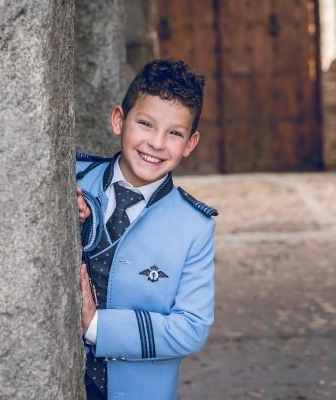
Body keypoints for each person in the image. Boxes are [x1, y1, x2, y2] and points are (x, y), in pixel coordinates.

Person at [75, 58, 217, 400]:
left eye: (174, 133)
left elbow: (191, 328)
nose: (156, 143)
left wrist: (97, 327)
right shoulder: (72, 180)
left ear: (190, 144)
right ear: (118, 120)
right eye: (145, 123)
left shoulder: (193, 227)